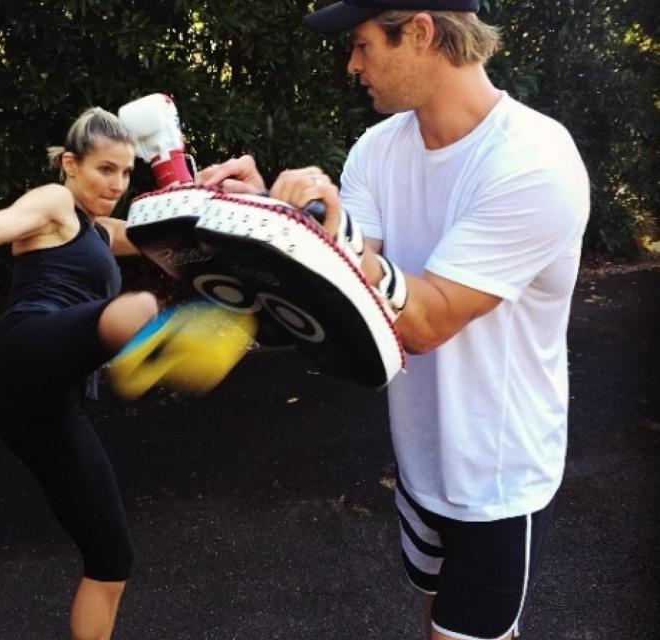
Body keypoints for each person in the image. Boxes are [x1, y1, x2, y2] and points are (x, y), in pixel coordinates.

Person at [197, 2, 590, 639]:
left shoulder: (535, 161)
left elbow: (426, 322)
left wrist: (329, 230)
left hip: (497, 476)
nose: (352, 65)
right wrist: (272, 218)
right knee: (437, 617)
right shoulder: (379, 149)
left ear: (420, 32)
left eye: (362, 45)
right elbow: (352, 288)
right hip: (420, 457)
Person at [0, 107, 246, 640]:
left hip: (47, 404)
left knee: (111, 558)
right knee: (139, 306)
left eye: (127, 172)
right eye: (106, 169)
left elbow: (169, 238)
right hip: (23, 350)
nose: (118, 184)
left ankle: (150, 352)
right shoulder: (55, 204)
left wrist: (203, 190)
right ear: (72, 165)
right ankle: (150, 353)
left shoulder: (102, 232)